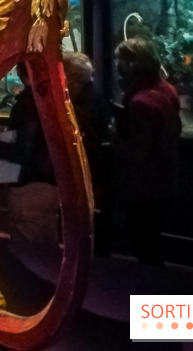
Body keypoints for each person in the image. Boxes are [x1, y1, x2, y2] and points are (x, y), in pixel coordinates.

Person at [112, 38, 181, 265]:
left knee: (143, 240)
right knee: (152, 235)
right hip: (164, 177)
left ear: (132, 65)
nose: (117, 66)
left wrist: (113, 136)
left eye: (120, 60)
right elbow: (175, 129)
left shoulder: (141, 102)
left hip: (142, 184)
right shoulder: (166, 89)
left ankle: (149, 289)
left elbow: (137, 152)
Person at [0, 62, 58, 246]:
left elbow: (24, 147)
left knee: (27, 246)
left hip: (28, 182)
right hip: (52, 180)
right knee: (49, 244)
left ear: (21, 72)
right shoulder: (55, 99)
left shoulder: (26, 104)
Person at [63, 52, 113, 255]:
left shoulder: (82, 105)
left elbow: (86, 143)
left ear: (72, 77)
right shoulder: (96, 97)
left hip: (90, 175)